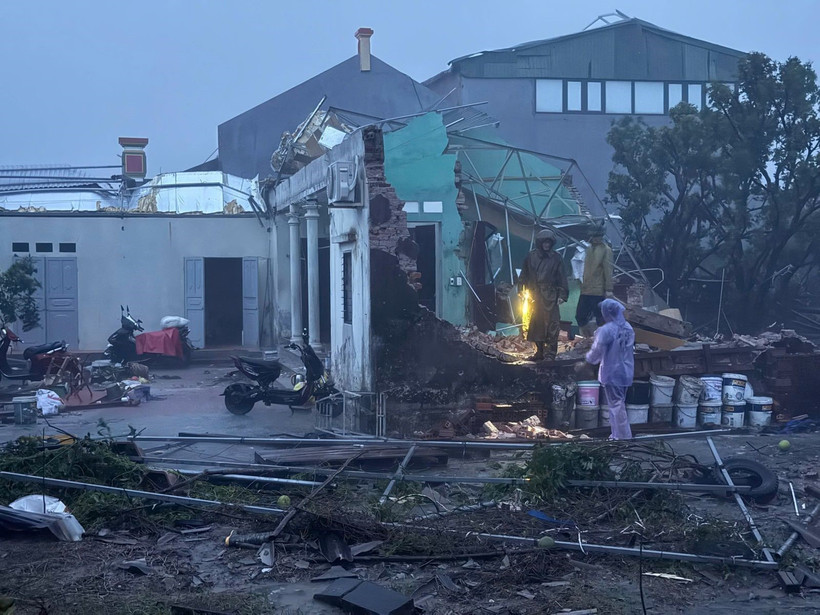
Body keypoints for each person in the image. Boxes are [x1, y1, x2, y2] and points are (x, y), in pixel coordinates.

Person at [583, 298, 634, 440]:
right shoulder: (628, 328)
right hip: (626, 372)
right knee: (618, 403)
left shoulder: (607, 330)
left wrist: (586, 362)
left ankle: (622, 437)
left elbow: (597, 351)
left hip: (612, 372)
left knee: (616, 406)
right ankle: (617, 434)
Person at [518, 228, 569, 361]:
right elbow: (524, 274)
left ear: (551, 243)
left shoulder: (556, 258)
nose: (546, 245)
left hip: (551, 295)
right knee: (536, 324)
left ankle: (550, 353)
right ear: (540, 243)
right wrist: (521, 289)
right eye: (544, 242)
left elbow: (562, 277)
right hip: (535, 295)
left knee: (552, 325)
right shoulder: (531, 256)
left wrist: (562, 295)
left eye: (548, 242)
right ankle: (539, 352)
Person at [575, 225, 614, 338]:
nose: (596, 238)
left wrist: (609, 289)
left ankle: (601, 340)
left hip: (598, 290)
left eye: (599, 236)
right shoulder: (586, 249)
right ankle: (588, 339)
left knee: (600, 317)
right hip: (585, 289)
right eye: (594, 236)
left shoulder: (606, 250)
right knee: (580, 316)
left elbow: (608, 270)